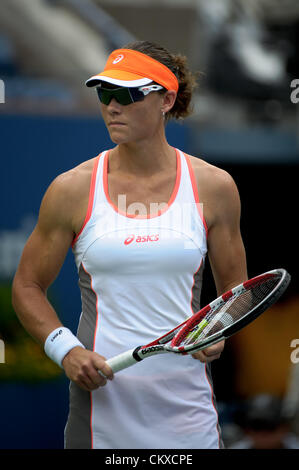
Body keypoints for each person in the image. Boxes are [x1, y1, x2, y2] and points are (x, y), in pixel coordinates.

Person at [12, 40, 248, 449]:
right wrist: (66, 350)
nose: (111, 106)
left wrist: (219, 331)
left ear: (166, 99)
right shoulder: (71, 189)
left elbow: (239, 293)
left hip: (188, 418)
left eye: (126, 93)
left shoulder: (215, 186)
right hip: (100, 420)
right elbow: (26, 287)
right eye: (105, 93)